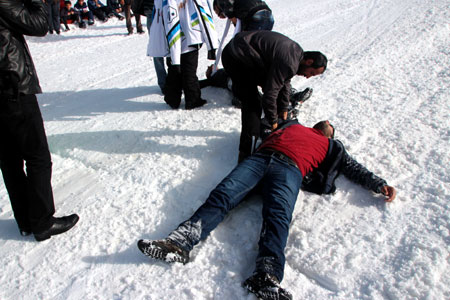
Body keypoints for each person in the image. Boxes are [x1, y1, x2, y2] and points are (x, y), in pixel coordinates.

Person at [137, 119, 396, 300]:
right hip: (259, 159)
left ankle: (267, 275)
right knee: (222, 195)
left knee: (278, 217)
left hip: (290, 169)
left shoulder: (332, 147)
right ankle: (179, 243)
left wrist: (378, 184)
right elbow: (266, 121)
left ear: (331, 134)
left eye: (331, 126)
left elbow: (353, 168)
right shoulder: (292, 124)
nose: (327, 122)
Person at [0, 0, 79, 241]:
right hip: (11, 84)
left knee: (10, 159)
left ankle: (26, 220)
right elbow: (39, 24)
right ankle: (41, 221)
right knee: (37, 157)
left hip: (5, 84)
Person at [221, 30, 328, 162]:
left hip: (243, 51)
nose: (307, 77)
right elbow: (270, 94)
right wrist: (273, 122)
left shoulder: (296, 54)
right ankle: (246, 153)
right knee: (253, 103)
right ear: (309, 62)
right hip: (236, 57)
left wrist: (283, 108)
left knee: (271, 84)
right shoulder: (289, 62)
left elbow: (285, 82)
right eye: (311, 73)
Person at [147, 0, 218, 110]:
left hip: (173, 38)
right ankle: (192, 100)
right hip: (189, 36)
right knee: (188, 70)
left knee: (174, 68)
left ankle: (173, 99)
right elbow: (202, 12)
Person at [143, 0, 166, 93]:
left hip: (168, 9)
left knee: (173, 47)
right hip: (153, 11)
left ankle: (173, 80)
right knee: (157, 50)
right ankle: (164, 83)